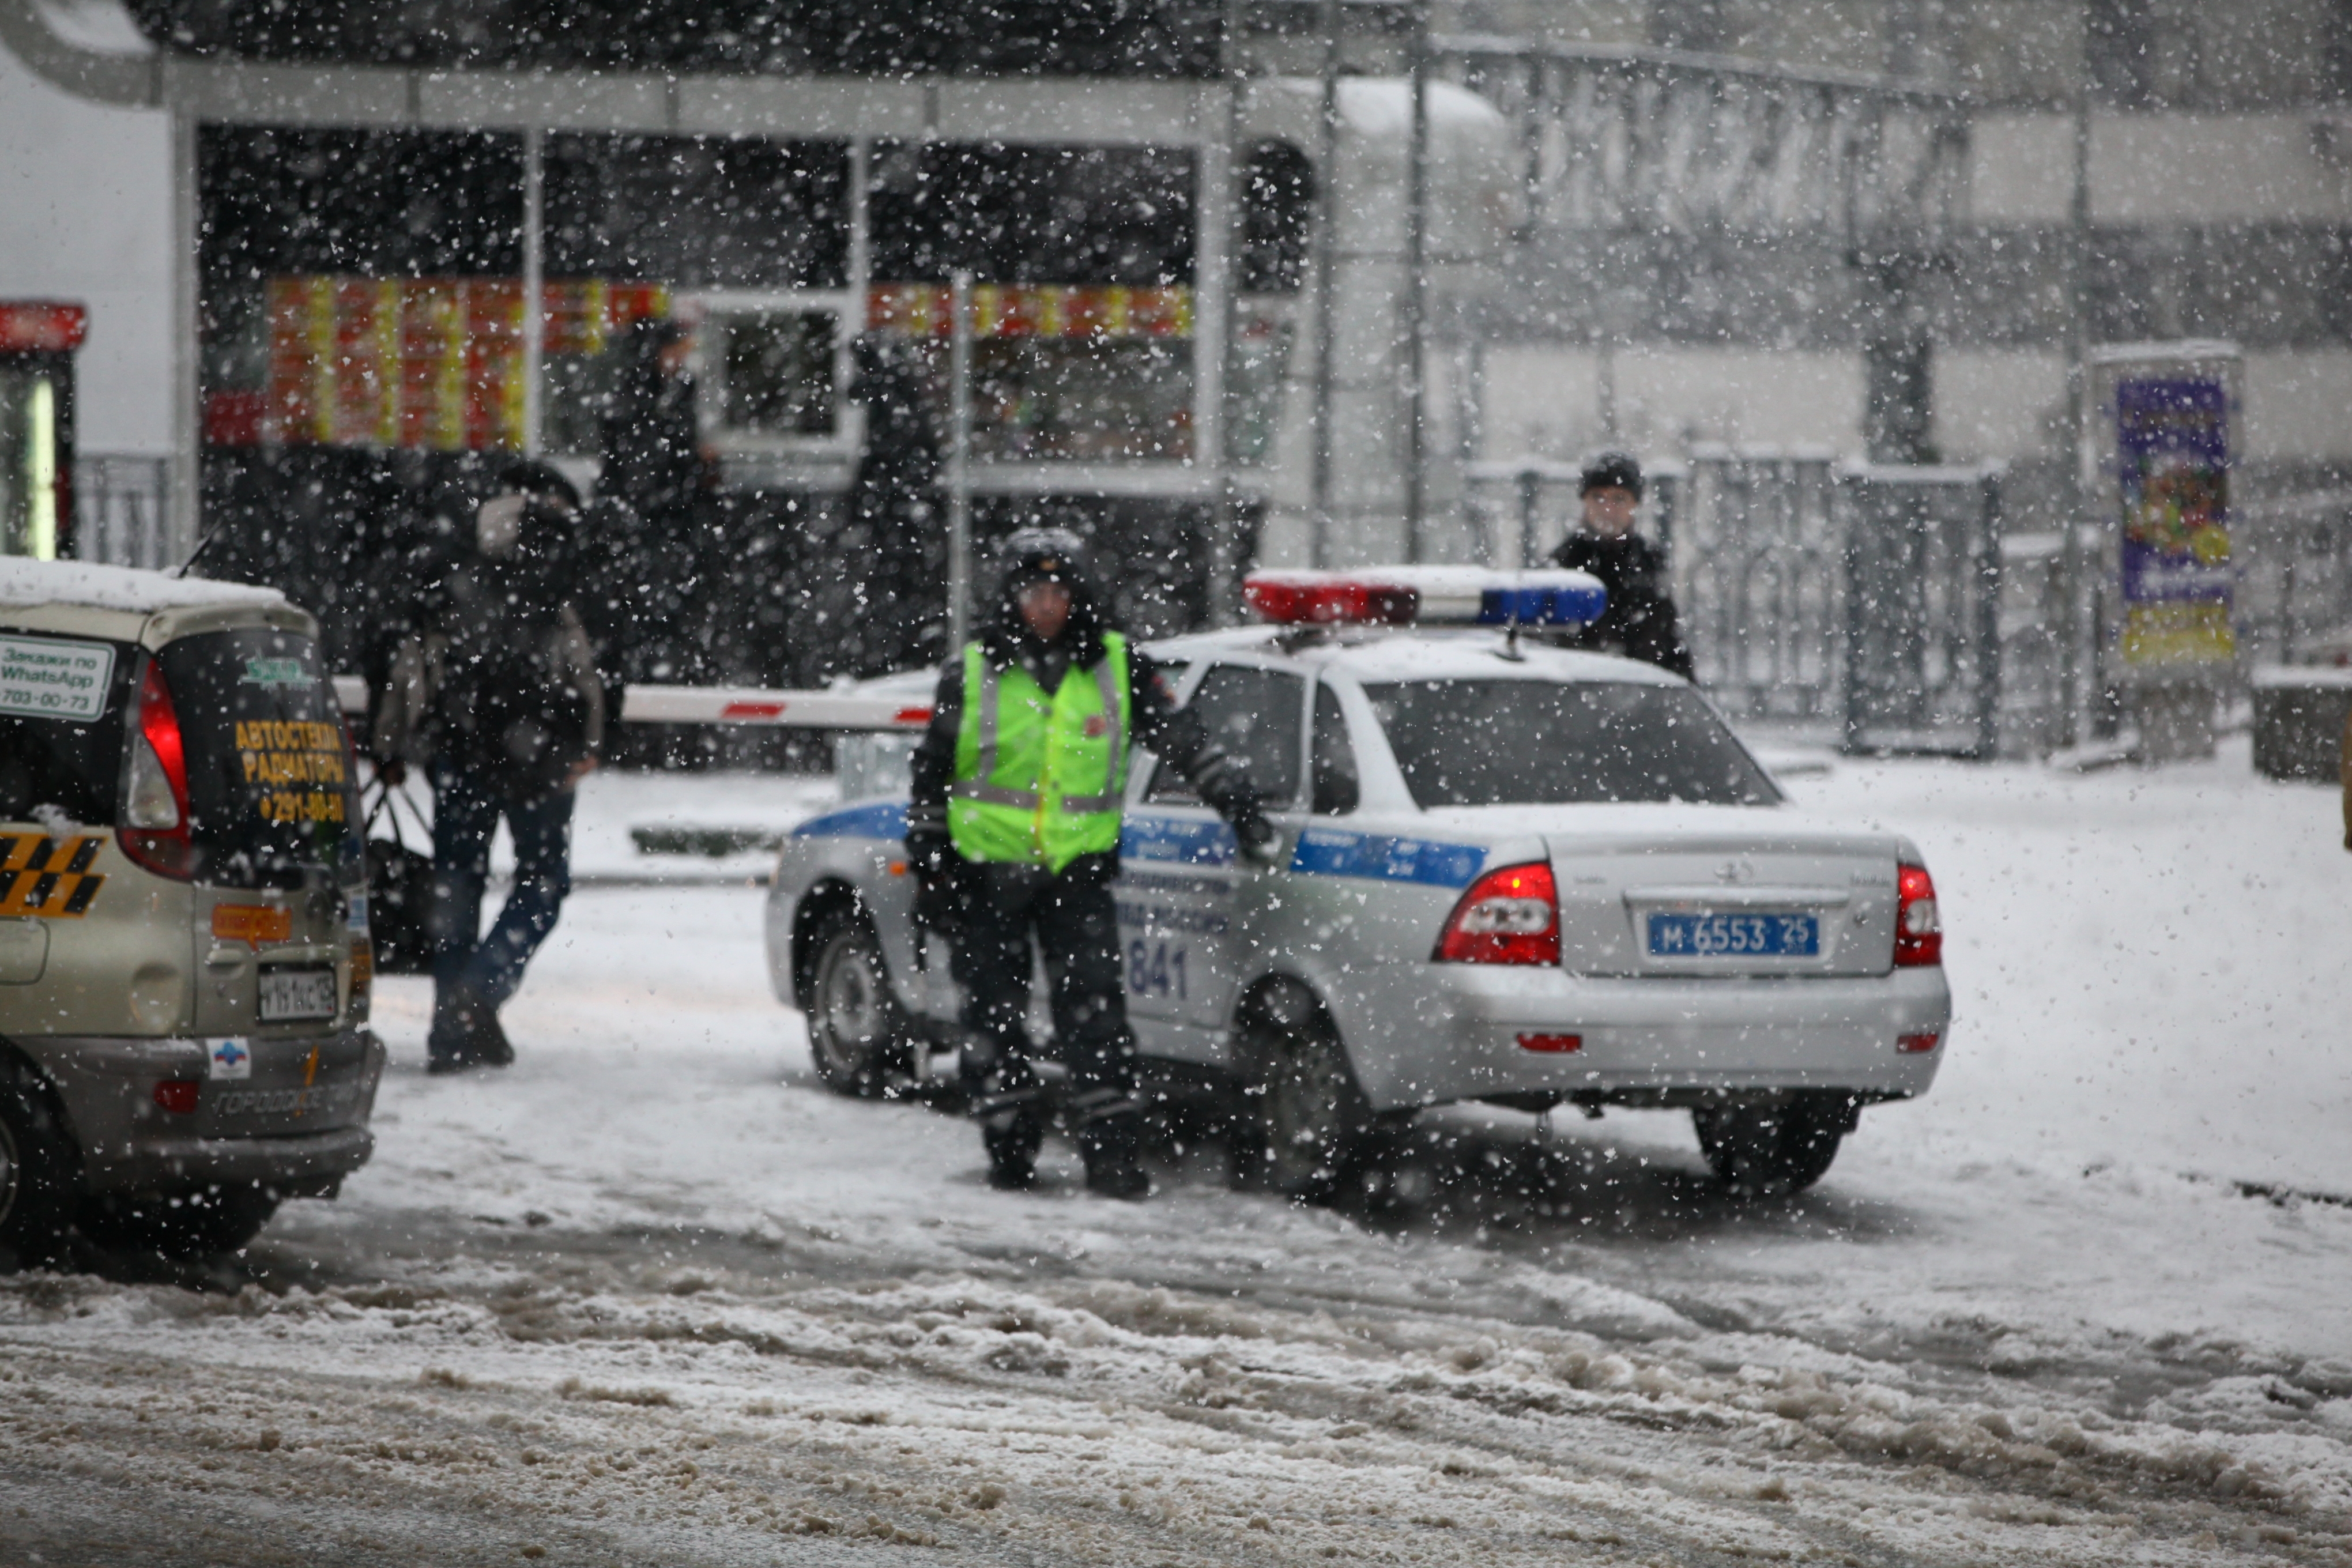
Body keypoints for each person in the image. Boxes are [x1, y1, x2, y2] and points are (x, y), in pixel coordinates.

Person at [905, 528, 1275, 1198]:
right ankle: (1010, 1152)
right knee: (992, 1019)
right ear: (1010, 596)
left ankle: (1112, 1158)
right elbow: (932, 774)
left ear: (1079, 596)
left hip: (1077, 875)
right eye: (1032, 591)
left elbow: (1182, 737)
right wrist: (933, 866)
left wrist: (1235, 799)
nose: (1045, 604)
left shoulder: (1117, 665)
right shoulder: (974, 669)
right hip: (988, 874)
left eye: (1058, 591)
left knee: (1096, 1018)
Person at [370, 460, 605, 1075]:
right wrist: (593, 738)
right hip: (545, 757)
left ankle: (451, 1033)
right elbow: (589, 661)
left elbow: (412, 662)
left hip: (463, 748)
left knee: (457, 886)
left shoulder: (456, 556)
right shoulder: (564, 555)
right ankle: (483, 987)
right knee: (543, 882)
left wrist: (390, 744)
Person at [1548, 451, 1695, 680]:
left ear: (1634, 504)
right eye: (1598, 497)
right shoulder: (1563, 564)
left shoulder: (1650, 562)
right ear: (1584, 501)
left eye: (1619, 499)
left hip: (1640, 696)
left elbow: (1669, 642)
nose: (1608, 509)